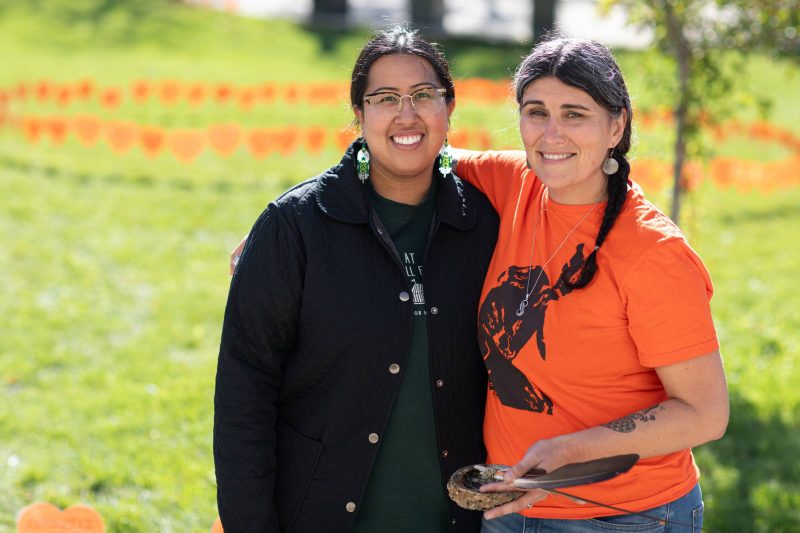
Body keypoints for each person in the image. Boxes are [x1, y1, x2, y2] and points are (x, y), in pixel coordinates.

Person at [214, 26, 498, 533]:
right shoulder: (297, 225)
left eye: (424, 96)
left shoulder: (483, 224)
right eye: (385, 98)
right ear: (359, 115)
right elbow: (244, 389)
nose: (406, 115)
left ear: (449, 109)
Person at [451, 37, 729, 531]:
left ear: (616, 125)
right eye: (536, 112)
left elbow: (705, 414)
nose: (551, 134)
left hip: (625, 516)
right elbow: (418, 152)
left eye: (575, 114)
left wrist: (571, 448)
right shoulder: (514, 182)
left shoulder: (652, 253)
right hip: (508, 504)